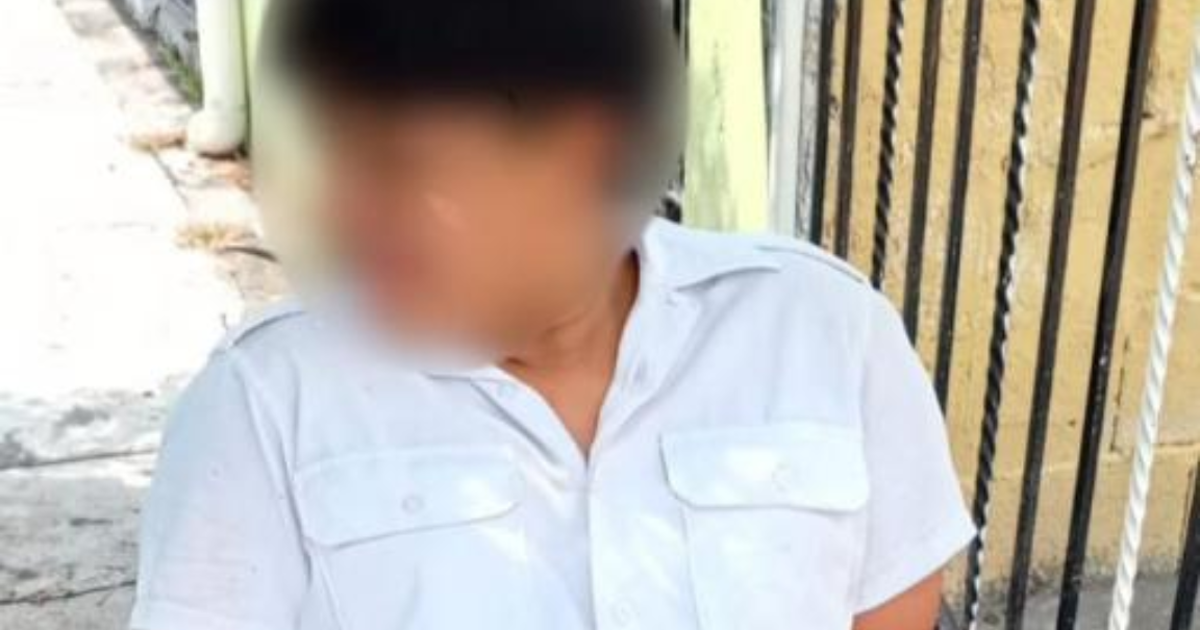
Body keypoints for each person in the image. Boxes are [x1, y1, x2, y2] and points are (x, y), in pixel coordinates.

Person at [130, 1, 975, 629]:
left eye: (402, 165)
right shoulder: (267, 403)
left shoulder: (823, 334)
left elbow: (891, 605)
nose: (348, 213)